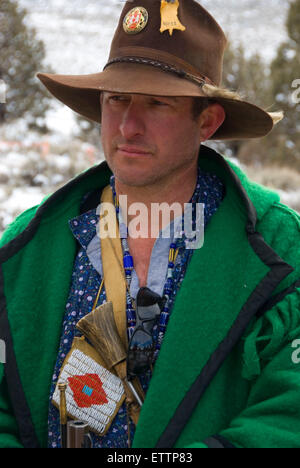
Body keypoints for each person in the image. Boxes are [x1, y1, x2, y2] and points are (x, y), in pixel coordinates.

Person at [1, 0, 300, 449]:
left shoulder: (283, 249)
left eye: (157, 103)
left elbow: (288, 413)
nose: (128, 125)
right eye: (116, 99)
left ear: (208, 121)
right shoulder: (25, 248)